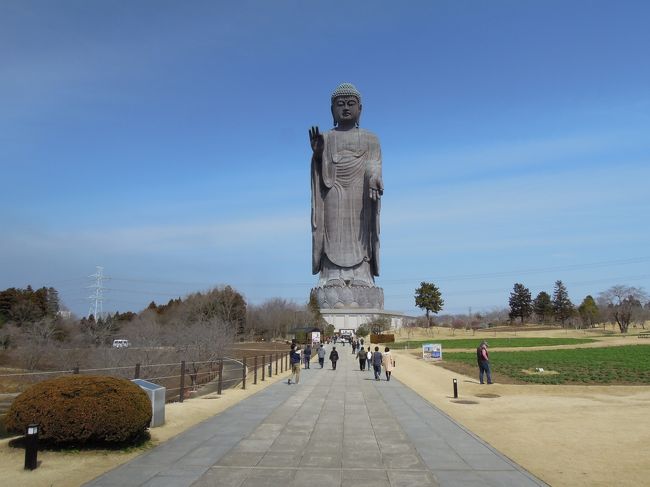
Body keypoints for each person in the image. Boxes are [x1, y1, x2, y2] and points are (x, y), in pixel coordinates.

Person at [310, 83, 384, 309]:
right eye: (339, 104)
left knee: (362, 232)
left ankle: (362, 276)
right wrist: (318, 154)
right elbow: (319, 172)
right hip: (332, 191)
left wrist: (373, 177)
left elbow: (374, 163)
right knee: (331, 229)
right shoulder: (327, 137)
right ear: (332, 109)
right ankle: (331, 276)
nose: (345, 108)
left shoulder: (371, 139)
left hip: (360, 195)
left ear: (360, 108)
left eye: (350, 104)